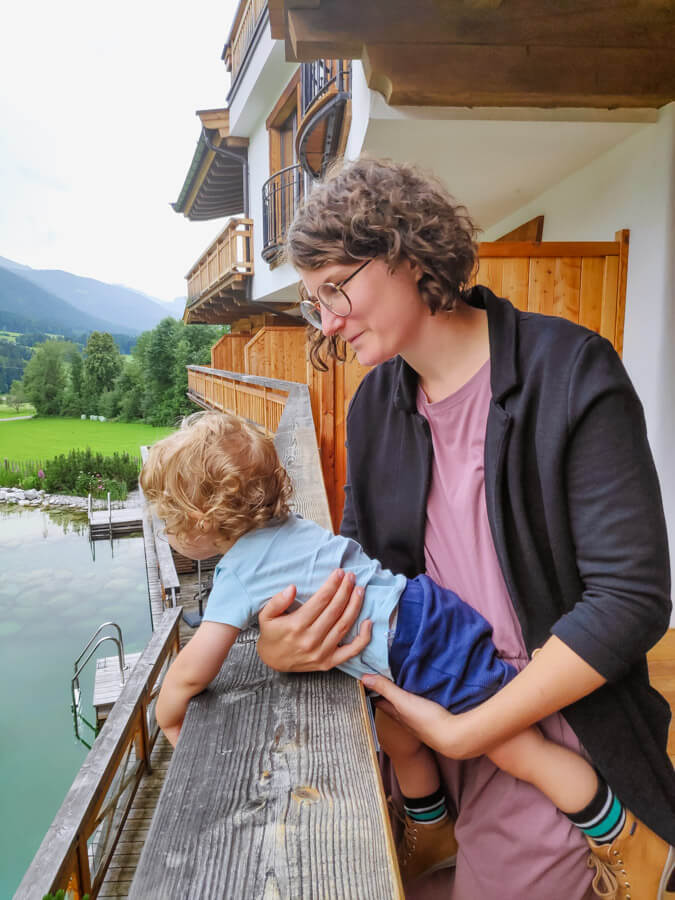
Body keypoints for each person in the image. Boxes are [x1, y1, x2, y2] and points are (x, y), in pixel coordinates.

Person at [253, 157, 675, 899]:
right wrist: (282, 637)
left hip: (546, 719)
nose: (327, 322)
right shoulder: (375, 402)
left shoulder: (570, 371)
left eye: (336, 289)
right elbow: (357, 560)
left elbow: (630, 599)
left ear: (407, 253)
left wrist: (472, 732)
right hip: (427, 699)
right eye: (313, 303)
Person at [140, 410, 667, 892]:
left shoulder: (237, 571)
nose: (169, 533)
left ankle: (627, 836)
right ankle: (433, 827)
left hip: (419, 645)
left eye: (169, 521)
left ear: (203, 521)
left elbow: (198, 664)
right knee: (395, 730)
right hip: (419, 619)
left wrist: (168, 709)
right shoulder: (287, 529)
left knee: (516, 750)